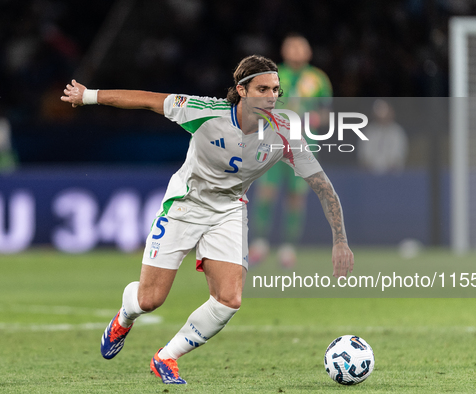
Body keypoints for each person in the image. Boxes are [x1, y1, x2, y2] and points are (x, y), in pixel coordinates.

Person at [61, 55, 353, 385]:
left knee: (230, 299)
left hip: (228, 210)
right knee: (150, 300)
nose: (271, 96)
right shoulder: (205, 112)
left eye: (275, 89)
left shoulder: (285, 130)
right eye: (262, 89)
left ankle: (167, 356)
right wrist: (87, 95)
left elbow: (322, 186)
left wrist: (340, 240)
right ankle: (125, 315)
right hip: (185, 206)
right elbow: (147, 101)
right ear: (242, 91)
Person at [249, 34, 333, 268]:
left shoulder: (318, 79)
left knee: (296, 198)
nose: (296, 51)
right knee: (267, 192)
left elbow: (326, 111)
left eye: (301, 47)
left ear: (309, 52)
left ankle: (288, 248)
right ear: (284, 51)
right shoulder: (273, 76)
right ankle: (259, 243)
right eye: (292, 47)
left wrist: (317, 118)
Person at [357, 99, 408, 175]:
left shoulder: (398, 132)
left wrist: (385, 172)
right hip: (369, 177)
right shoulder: (368, 132)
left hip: (393, 177)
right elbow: (364, 157)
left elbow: (398, 158)